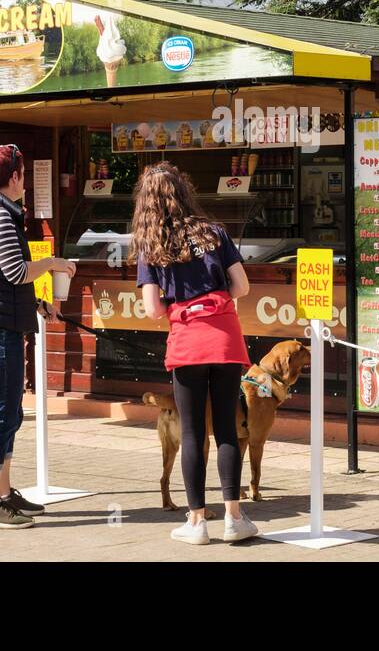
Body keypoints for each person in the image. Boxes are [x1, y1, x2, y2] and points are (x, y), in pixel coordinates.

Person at [130, 162, 257, 544]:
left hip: (187, 343)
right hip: (225, 339)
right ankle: (235, 518)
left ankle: (197, 523)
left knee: (191, 432)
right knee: (226, 430)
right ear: (184, 192)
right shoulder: (215, 232)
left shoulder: (151, 247)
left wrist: (183, 307)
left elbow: (153, 309)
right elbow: (242, 286)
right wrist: (212, 303)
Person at [0, 143, 75, 530]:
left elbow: (4, 279)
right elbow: (15, 272)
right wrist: (53, 264)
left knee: (11, 414)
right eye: (23, 173)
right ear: (14, 178)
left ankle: (4, 493)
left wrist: (39, 307)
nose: (25, 180)